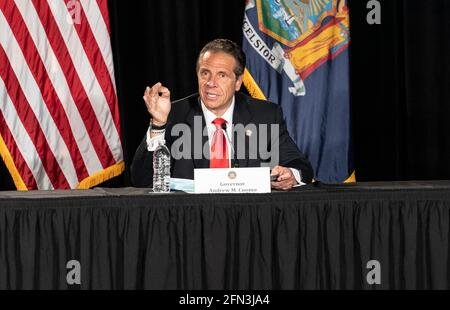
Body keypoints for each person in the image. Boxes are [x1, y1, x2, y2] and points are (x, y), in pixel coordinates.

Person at [131, 39, 313, 190]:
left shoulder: (265, 115)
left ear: (238, 82)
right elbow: (142, 180)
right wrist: (158, 124)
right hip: (189, 220)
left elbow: (300, 166)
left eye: (222, 75)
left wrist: (291, 175)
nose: (211, 83)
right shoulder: (173, 114)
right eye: (205, 73)